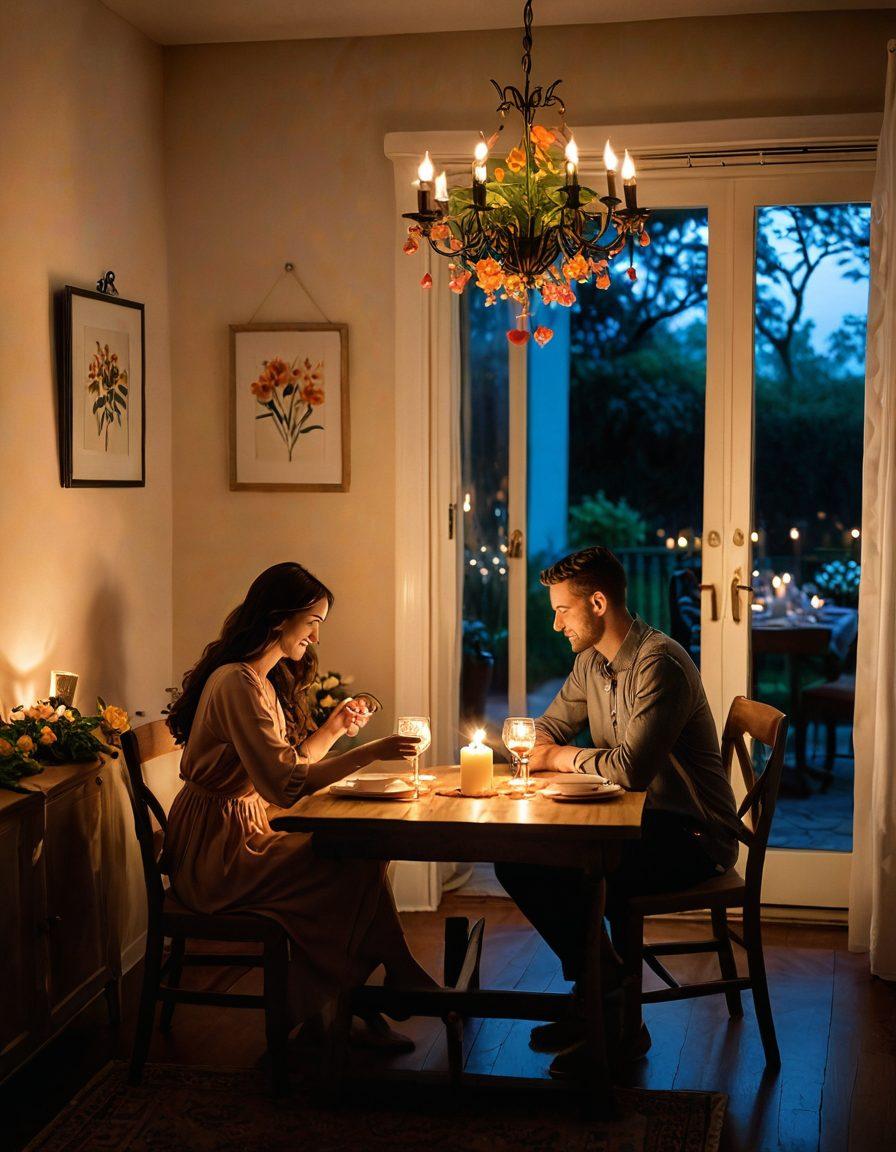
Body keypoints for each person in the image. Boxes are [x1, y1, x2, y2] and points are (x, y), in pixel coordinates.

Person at [164, 561, 437, 1051]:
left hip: (239, 833)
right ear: (278, 618)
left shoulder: (259, 682)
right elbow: (286, 787)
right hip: (216, 855)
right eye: (312, 622)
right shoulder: (237, 684)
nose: (314, 635)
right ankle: (350, 1001)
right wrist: (371, 750)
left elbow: (285, 767)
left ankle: (346, 1007)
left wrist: (333, 729)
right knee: (352, 867)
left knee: (358, 860)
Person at [494, 546, 740, 1075]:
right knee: (517, 859)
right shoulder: (591, 662)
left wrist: (556, 757)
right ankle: (601, 1000)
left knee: (576, 870)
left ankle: (616, 1020)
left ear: (599, 603)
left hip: (693, 837)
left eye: (562, 609)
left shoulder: (660, 662)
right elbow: (551, 726)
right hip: (639, 823)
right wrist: (531, 740)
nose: (554, 621)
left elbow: (629, 771)